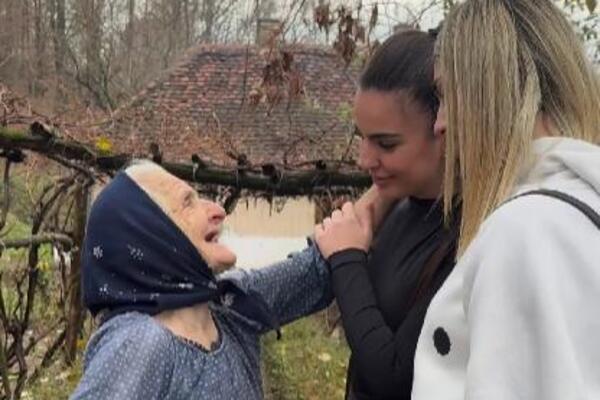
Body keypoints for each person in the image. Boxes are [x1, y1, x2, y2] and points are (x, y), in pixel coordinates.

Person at [409, 0, 600, 399]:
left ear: (489, 90)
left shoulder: (525, 231)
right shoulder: (579, 208)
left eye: (444, 95)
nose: (439, 124)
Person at [70, 161, 335, 400]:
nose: (218, 211)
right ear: (149, 235)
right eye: (188, 203)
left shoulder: (231, 306)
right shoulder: (140, 343)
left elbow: (323, 266)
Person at [314, 30, 460, 399]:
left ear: (444, 127)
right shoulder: (395, 205)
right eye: (361, 137)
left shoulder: (467, 237)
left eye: (386, 144)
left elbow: (393, 378)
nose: (365, 160)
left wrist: (347, 261)